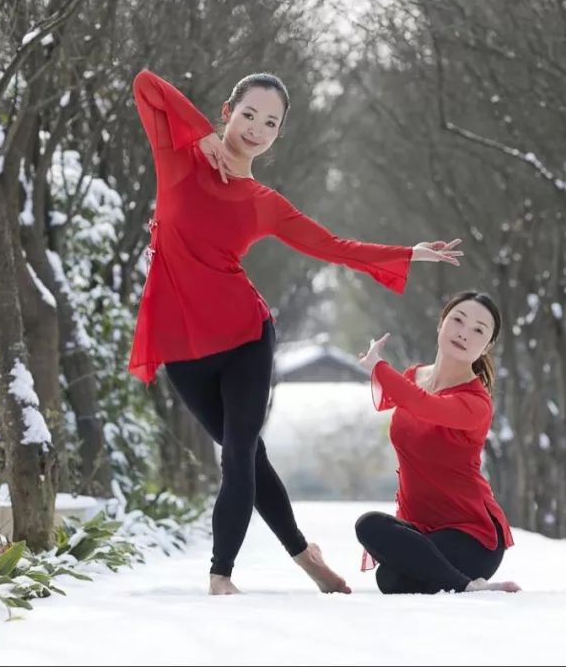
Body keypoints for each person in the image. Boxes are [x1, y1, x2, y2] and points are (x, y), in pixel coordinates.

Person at [129, 68, 464, 595]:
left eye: (270, 122)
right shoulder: (179, 156)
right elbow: (147, 84)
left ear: (278, 134)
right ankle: (305, 554)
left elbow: (334, 247)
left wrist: (407, 253)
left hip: (245, 337)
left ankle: (221, 576)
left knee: (238, 453)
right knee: (251, 459)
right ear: (227, 112)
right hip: (182, 343)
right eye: (247, 115)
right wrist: (202, 137)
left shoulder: (264, 203)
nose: (256, 128)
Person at [354, 290, 521, 594]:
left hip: (471, 534)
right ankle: (465, 583)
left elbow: (424, 406)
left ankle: (468, 586)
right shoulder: (413, 376)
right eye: (458, 320)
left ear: (488, 346)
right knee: (372, 534)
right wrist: (383, 372)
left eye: (478, 330)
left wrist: (379, 368)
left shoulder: (475, 402)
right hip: (419, 529)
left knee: (396, 578)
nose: (464, 333)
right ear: (441, 323)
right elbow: (405, 396)